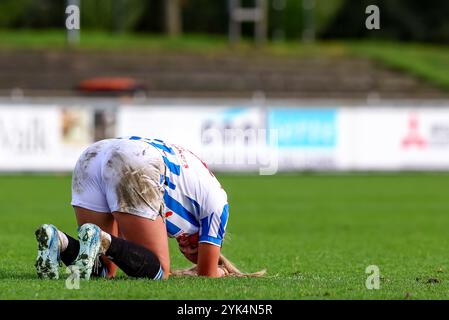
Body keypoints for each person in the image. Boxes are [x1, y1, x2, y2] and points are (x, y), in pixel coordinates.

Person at [35, 136, 233, 280]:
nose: (189, 250)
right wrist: (221, 271)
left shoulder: (189, 208)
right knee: (160, 272)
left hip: (94, 154)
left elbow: (125, 240)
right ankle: (97, 238)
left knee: (104, 268)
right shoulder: (218, 205)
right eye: (196, 246)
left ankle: (58, 241)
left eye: (187, 250)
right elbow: (207, 273)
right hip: (137, 159)